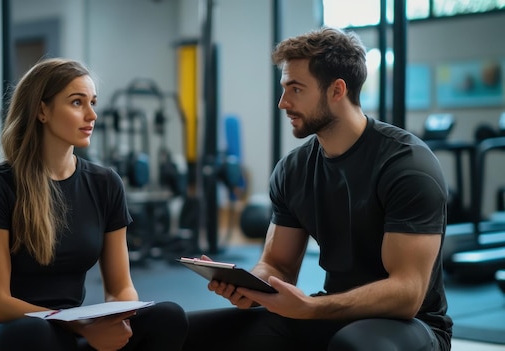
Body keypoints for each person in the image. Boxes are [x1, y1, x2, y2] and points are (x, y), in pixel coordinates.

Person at [183, 26, 453, 351]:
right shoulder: (293, 170)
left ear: (337, 90)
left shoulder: (407, 166)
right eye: (284, 88)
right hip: (331, 312)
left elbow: (407, 294)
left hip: (411, 325)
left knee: (354, 346)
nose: (283, 102)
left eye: (296, 89)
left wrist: (311, 309)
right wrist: (250, 287)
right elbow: (278, 265)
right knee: (190, 333)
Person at [0, 58, 188, 351]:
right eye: (77, 103)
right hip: (11, 334)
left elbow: (120, 287)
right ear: (42, 110)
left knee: (167, 317)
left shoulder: (106, 183)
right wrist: (80, 326)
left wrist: (119, 320)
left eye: (93, 102)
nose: (92, 114)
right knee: (38, 333)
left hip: (69, 334)